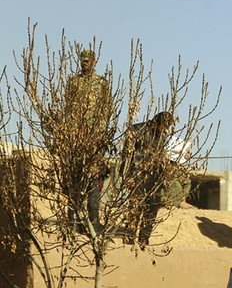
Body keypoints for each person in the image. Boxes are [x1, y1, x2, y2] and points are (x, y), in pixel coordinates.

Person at [63, 48, 113, 234]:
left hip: (95, 135)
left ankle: (94, 225)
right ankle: (72, 225)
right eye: (82, 60)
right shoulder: (73, 82)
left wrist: (99, 131)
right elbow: (68, 105)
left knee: (95, 178)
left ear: (94, 62)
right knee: (74, 177)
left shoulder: (101, 83)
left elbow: (107, 107)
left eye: (87, 60)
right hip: (76, 135)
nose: (84, 63)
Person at [120, 111, 175, 247]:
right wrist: (128, 176)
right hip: (137, 176)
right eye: (163, 127)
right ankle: (129, 239)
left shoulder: (161, 136)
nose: (165, 130)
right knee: (135, 208)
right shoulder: (136, 130)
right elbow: (127, 155)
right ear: (156, 123)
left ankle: (144, 240)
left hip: (155, 177)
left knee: (152, 209)